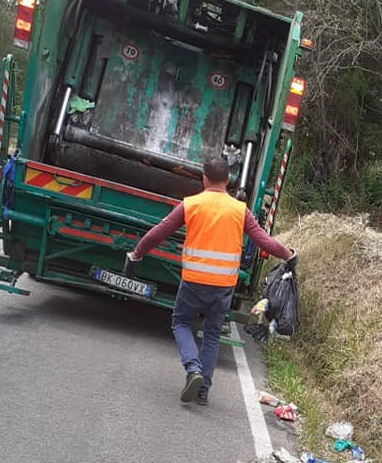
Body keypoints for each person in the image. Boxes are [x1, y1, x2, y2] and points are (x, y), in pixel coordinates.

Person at [124, 157, 296, 406]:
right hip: (224, 286)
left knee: (181, 322)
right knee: (212, 334)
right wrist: (289, 254)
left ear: (204, 179)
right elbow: (263, 240)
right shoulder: (239, 210)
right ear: (228, 181)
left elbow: (158, 233)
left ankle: (193, 368)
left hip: (194, 281)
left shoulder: (191, 204)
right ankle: (203, 389)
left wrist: (136, 254)